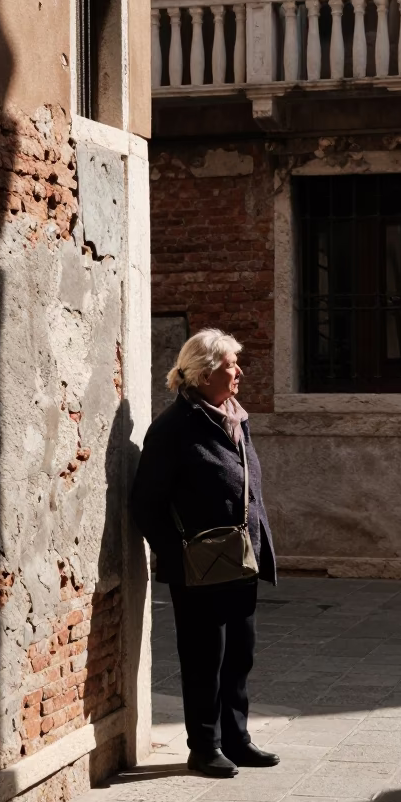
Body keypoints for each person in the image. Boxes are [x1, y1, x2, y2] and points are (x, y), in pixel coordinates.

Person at [130, 328, 280, 778]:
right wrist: (178, 556)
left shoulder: (235, 417)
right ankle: (205, 745)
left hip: (240, 557)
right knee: (204, 658)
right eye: (231, 365)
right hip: (199, 566)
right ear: (205, 372)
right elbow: (144, 503)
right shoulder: (174, 428)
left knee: (240, 652)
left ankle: (237, 738)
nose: (238, 372)